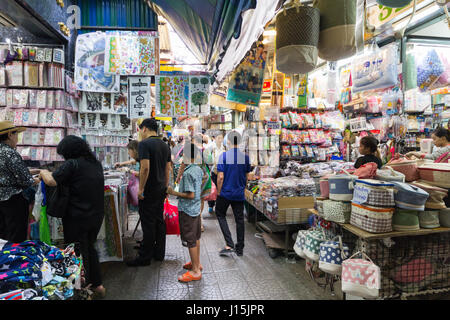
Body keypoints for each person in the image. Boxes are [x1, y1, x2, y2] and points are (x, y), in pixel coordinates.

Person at [39, 135, 106, 298]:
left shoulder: (72, 164)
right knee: (89, 247)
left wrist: (43, 171)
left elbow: (51, 181)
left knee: (75, 251)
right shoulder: (94, 163)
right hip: (95, 214)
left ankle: (79, 288)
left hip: (77, 216)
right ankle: (97, 285)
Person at [126, 118, 171, 267]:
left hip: (149, 190)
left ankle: (144, 257)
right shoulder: (165, 145)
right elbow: (167, 169)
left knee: (148, 223)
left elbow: (145, 168)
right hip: (160, 189)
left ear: (144, 129)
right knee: (159, 221)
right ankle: (159, 253)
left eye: (140, 130)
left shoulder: (144, 144)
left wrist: (141, 189)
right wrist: (166, 187)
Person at [166, 142, 204, 283]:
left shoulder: (188, 174)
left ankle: (195, 271)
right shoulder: (197, 169)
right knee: (196, 237)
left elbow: (190, 195)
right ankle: (196, 263)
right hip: (195, 210)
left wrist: (173, 192)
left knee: (190, 239)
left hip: (188, 210)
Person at [0, 121, 40, 243]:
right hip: (12, 200)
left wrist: (31, 171)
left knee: (2, 236)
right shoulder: (10, 153)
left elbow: (7, 172)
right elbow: (25, 180)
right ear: (10, 135)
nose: (17, 137)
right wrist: (41, 177)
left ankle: (4, 260)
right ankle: (15, 260)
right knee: (16, 237)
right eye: (16, 133)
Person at [216, 131, 251, 257]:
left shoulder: (224, 156)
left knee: (220, 214)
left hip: (225, 193)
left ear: (229, 141)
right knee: (239, 220)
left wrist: (219, 192)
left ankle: (229, 243)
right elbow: (247, 176)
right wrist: (243, 188)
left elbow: (220, 177)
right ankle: (240, 248)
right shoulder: (245, 157)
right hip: (239, 194)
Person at [207, 133, 224, 214]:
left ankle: (219, 206)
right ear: (215, 138)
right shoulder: (211, 147)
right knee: (213, 189)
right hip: (213, 171)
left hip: (222, 171)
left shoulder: (224, 148)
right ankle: (211, 205)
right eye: (219, 138)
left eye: (221, 138)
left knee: (220, 189)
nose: (220, 140)